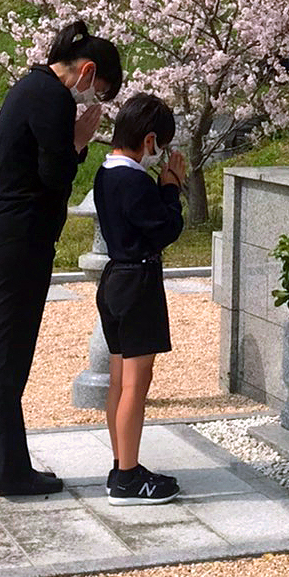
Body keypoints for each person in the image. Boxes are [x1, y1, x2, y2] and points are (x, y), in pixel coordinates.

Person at [0, 19, 122, 496]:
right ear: (87, 71)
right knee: (9, 353)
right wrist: (79, 140)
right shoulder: (53, 97)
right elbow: (55, 175)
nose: (92, 103)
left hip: (4, 231)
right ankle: (10, 470)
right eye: (98, 92)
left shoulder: (31, 86)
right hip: (21, 237)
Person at [93, 93, 186, 505]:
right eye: (160, 146)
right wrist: (171, 188)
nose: (161, 154)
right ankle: (128, 477)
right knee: (136, 383)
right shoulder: (134, 180)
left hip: (114, 277)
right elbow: (165, 229)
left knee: (119, 380)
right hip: (138, 280)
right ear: (149, 140)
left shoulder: (105, 173)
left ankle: (121, 463)